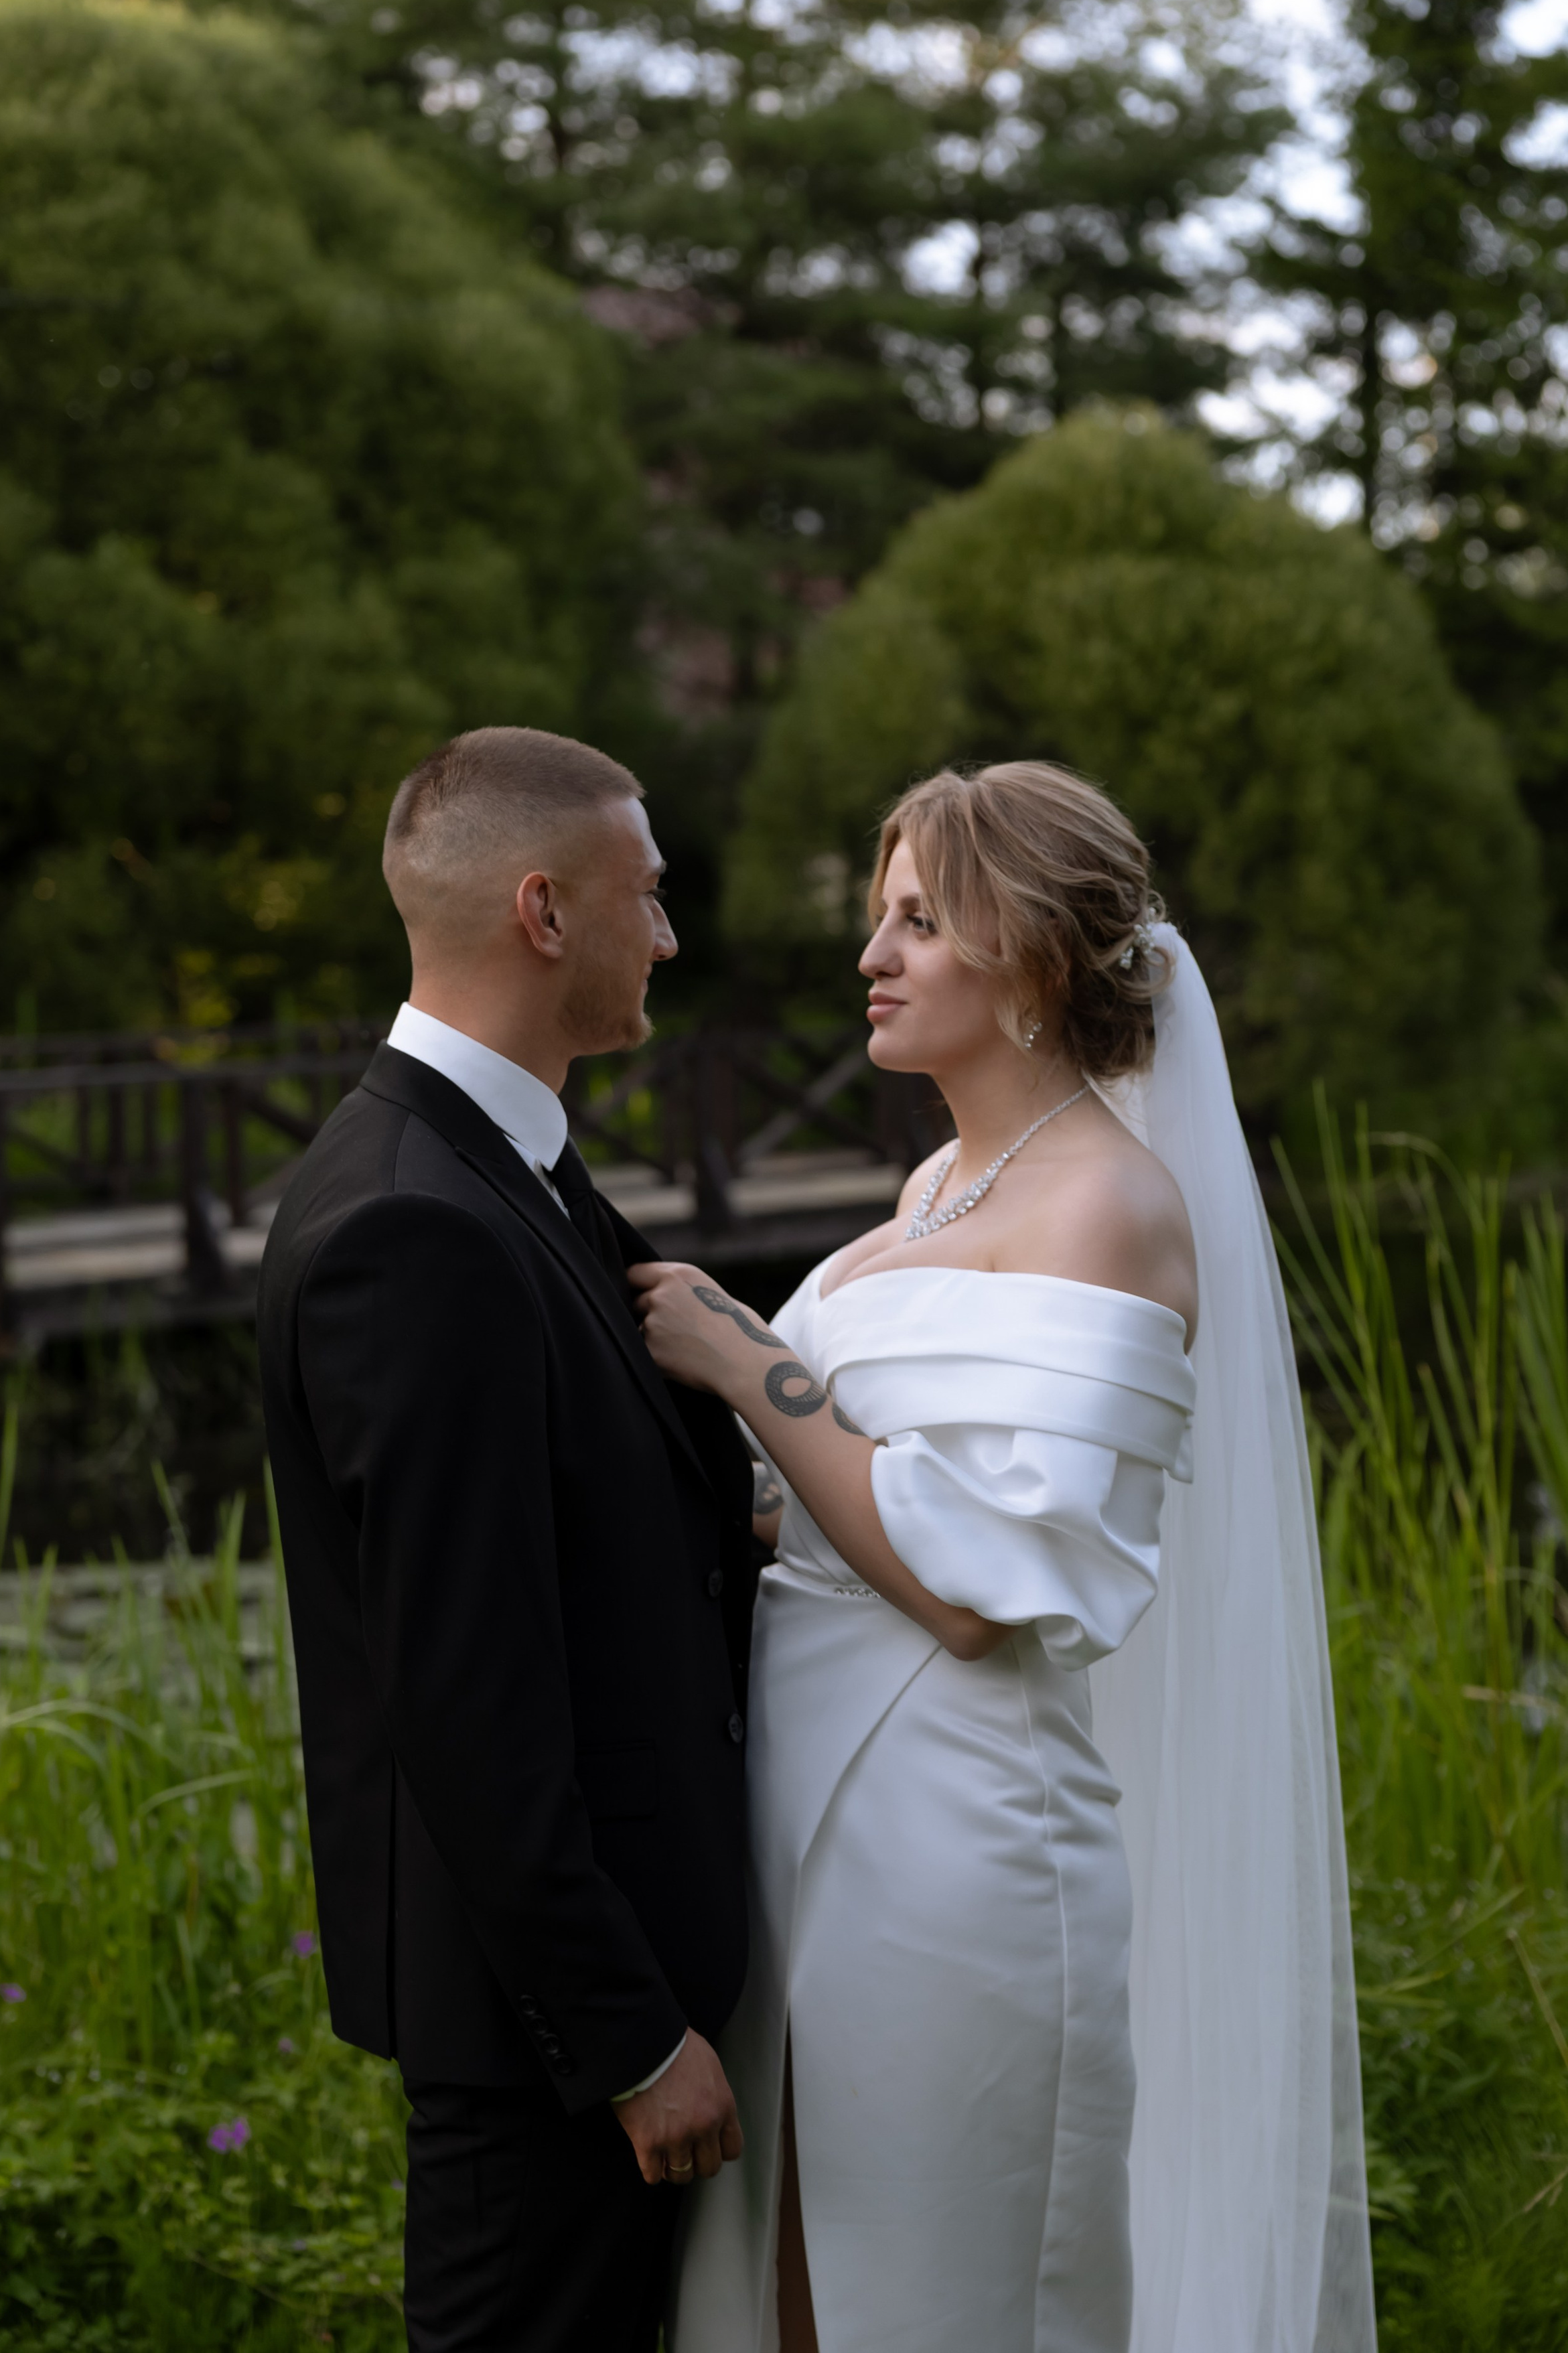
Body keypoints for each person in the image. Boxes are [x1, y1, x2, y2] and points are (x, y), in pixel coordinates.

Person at [642, 762, 1376, 2353]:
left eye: (918, 921)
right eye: (876, 919)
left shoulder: (1109, 1209)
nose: (872, 957)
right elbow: (853, 1514)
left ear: (1033, 958)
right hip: (798, 1815)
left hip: (954, 1849)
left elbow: (976, 1591)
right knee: (781, 2295)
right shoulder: (930, 1190)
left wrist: (745, 1362)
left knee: (933, 2298)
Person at [257, 726, 756, 2353]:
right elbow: (461, 1691)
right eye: (649, 897)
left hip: (609, 2000)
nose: (668, 937)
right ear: (544, 911)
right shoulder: (412, 1219)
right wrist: (624, 2036)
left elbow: (605, 1543)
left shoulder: (507, 1163)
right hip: (549, 2043)